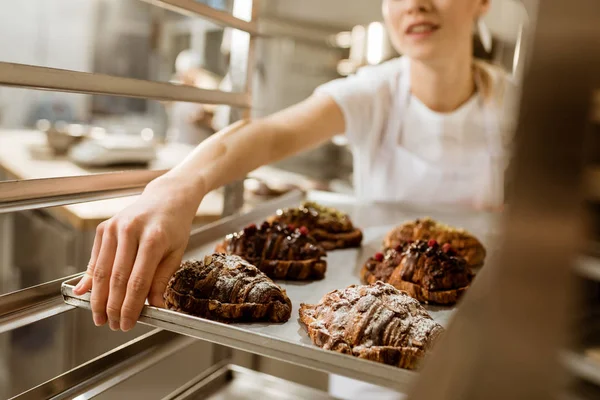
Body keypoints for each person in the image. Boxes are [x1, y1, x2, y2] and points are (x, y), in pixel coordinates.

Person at [74, 0, 517, 397]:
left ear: (481, 2)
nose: (416, 5)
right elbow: (268, 134)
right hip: (364, 352)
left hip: (478, 358)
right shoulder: (375, 92)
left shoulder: (516, 105)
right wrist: (174, 189)